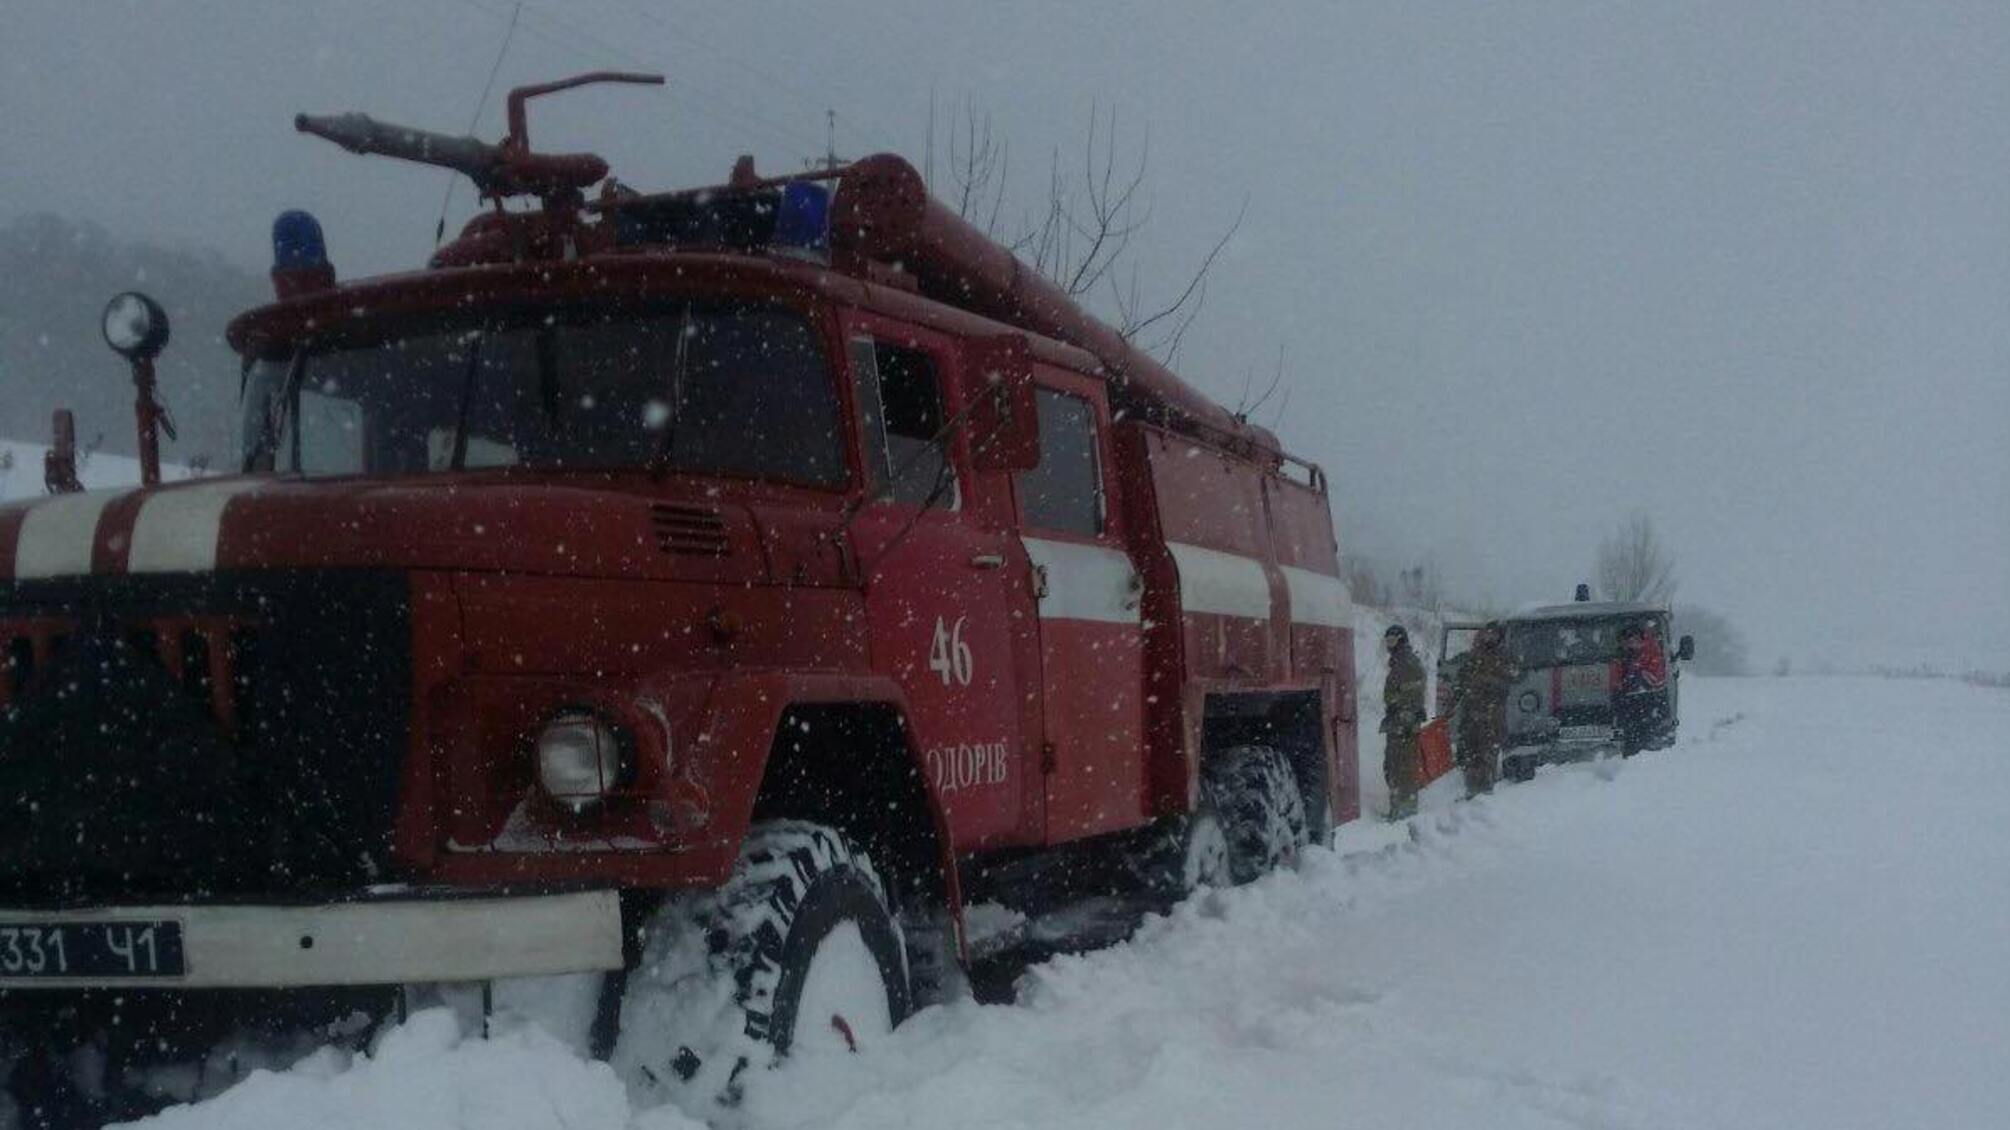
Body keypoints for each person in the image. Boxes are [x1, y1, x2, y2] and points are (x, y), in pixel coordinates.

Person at [1452, 622, 1517, 797]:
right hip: (1471, 716)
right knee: (1469, 755)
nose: (1489, 636)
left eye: (1493, 633)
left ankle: (1485, 794)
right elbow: (1460, 682)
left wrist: (1486, 682)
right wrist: (1450, 706)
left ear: (1499, 636)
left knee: (1487, 756)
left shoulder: (1505, 657)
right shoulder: (1473, 656)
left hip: (1491, 718)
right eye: (1487, 633)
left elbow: (1511, 680)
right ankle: (1471, 793)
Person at [1380, 624, 1427, 820]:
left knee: (1403, 768)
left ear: (1401, 640)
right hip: (1398, 722)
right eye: (1387, 641)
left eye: (1392, 640)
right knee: (1393, 766)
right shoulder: (1400, 661)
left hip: (1404, 724)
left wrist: (1401, 710)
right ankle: (1398, 809)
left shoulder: (1407, 662)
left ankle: (1405, 812)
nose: (1389, 645)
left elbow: (1413, 694)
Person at [1615, 622, 1670, 756]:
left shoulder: (1652, 655)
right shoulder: (1619, 657)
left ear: (1640, 639)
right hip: (1624, 706)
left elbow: (1656, 680)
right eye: (1626, 642)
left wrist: (1635, 677)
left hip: (1646, 705)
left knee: (1642, 742)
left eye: (1633, 640)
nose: (1629, 644)